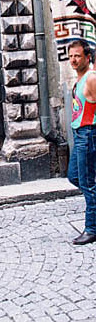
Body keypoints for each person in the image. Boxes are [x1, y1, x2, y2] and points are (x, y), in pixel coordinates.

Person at [67, 40, 96, 245]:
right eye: (70, 56)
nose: (73, 60)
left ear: (88, 57)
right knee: (74, 176)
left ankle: (92, 228)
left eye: (77, 56)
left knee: (87, 182)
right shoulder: (79, 78)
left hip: (88, 133)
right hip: (79, 134)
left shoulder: (91, 78)